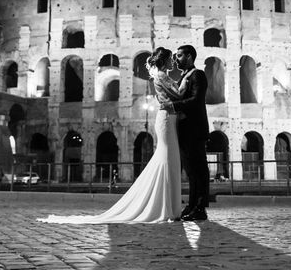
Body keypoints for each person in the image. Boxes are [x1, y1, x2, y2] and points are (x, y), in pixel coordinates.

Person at [37, 47, 187, 224]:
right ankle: (163, 205)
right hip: (166, 119)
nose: (173, 62)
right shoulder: (161, 76)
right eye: (171, 58)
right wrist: (188, 84)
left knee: (168, 159)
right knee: (167, 159)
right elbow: (178, 96)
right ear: (164, 60)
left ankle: (166, 204)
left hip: (169, 118)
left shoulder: (163, 76)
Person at [162, 44, 210, 221]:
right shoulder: (185, 76)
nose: (176, 59)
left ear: (190, 57)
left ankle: (200, 208)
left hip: (195, 130)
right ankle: (191, 205)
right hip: (185, 130)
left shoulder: (198, 74)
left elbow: (197, 100)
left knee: (199, 170)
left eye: (180, 56)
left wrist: (173, 105)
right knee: (191, 171)